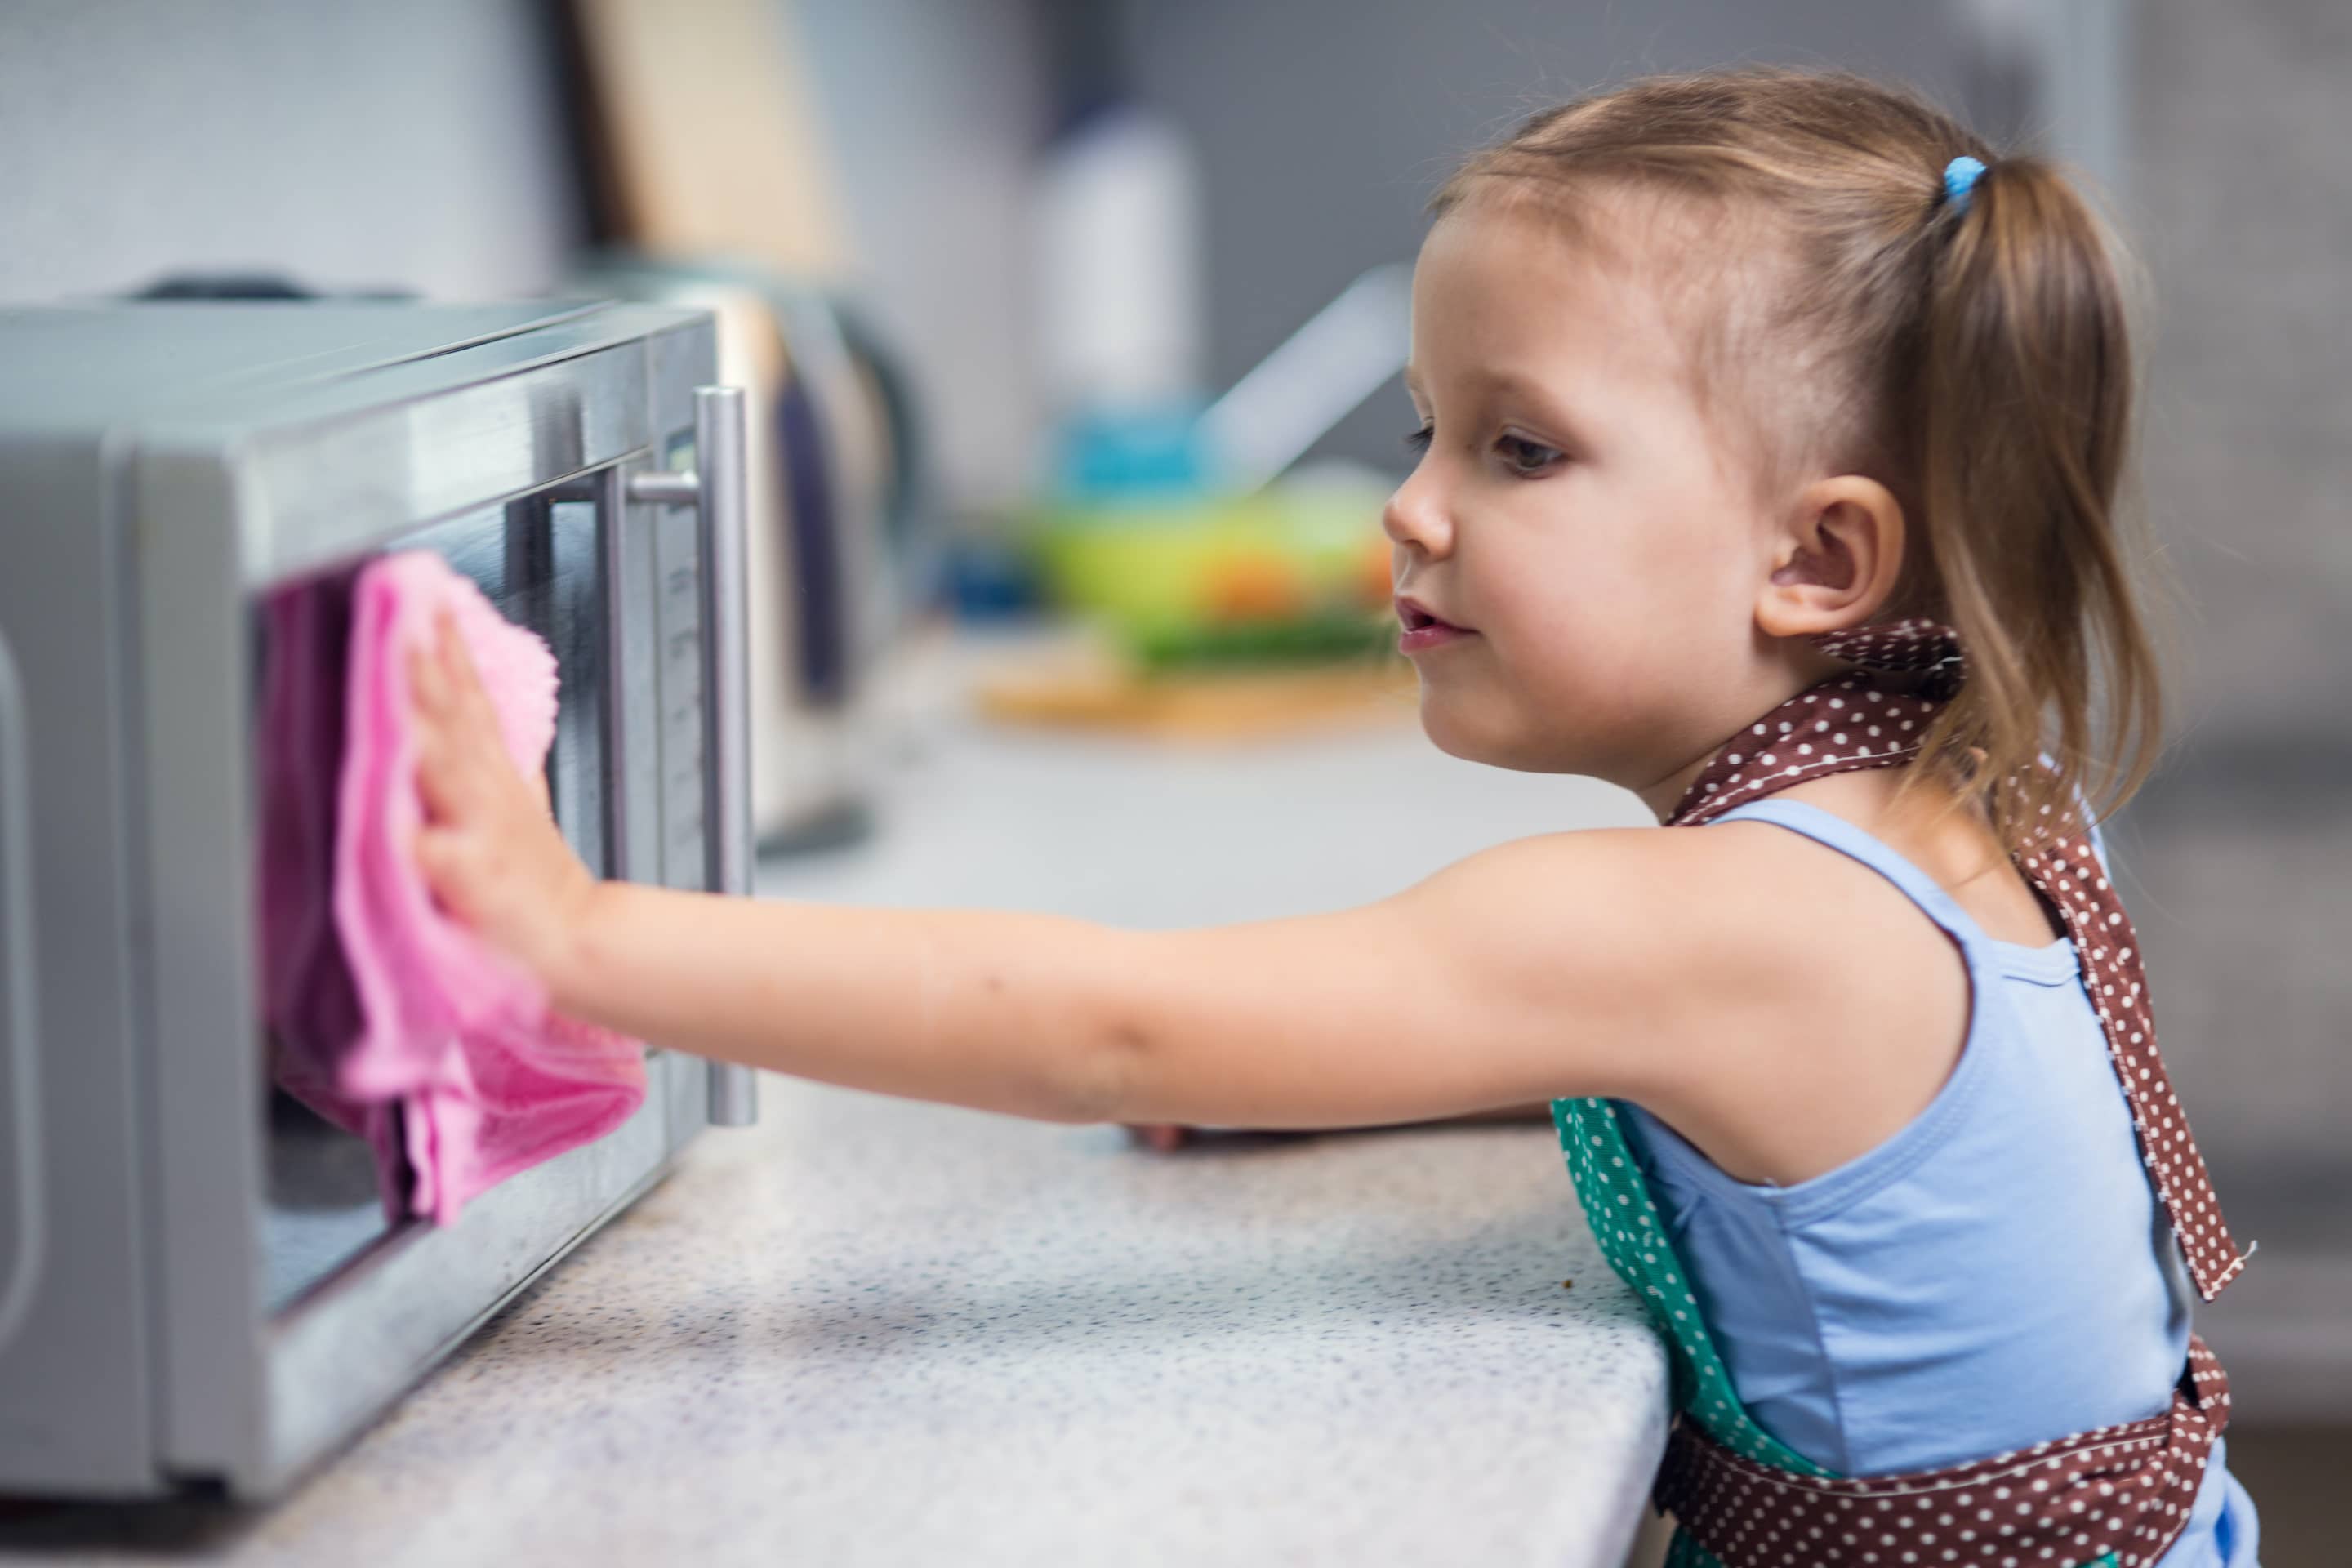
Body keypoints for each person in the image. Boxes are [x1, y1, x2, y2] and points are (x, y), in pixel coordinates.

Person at [407, 68, 2256, 1568]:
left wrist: (577, 935)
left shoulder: (1714, 923)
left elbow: (1104, 1021)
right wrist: (1338, 1056)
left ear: (1816, 558)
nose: (1415, 512)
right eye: (1422, 439)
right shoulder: (1960, 800)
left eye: (1518, 450)